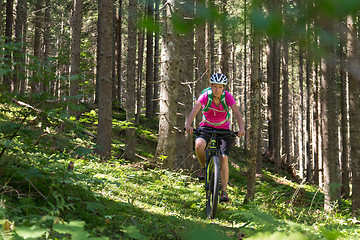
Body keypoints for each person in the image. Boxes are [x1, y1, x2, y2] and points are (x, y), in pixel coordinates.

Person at [185, 73, 245, 202]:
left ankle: (224, 191)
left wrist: (241, 128)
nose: (217, 89)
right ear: (211, 86)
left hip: (223, 128)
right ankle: (203, 168)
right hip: (206, 126)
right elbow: (195, 110)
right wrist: (188, 125)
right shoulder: (206, 96)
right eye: (215, 86)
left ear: (223, 88)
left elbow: (237, 113)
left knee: (224, 158)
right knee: (199, 145)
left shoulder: (227, 97)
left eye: (220, 87)